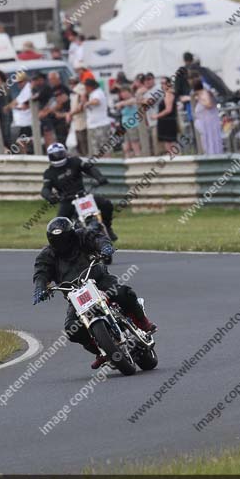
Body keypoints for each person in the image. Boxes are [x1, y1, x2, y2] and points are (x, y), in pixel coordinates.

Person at [33, 218, 155, 369]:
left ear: (71, 234)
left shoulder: (82, 236)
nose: (61, 243)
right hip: (75, 294)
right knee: (72, 329)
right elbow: (41, 272)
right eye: (57, 240)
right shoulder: (47, 255)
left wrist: (105, 247)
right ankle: (101, 351)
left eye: (64, 239)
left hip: (99, 280)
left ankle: (142, 321)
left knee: (123, 293)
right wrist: (40, 288)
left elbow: (97, 238)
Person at [41, 143, 117, 240]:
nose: (58, 157)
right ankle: (60, 245)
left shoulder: (74, 161)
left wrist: (99, 177)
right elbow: (45, 188)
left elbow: (89, 168)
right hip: (67, 200)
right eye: (55, 155)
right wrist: (50, 196)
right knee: (59, 224)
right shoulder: (49, 173)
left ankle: (108, 227)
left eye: (60, 154)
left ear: (65, 152)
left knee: (106, 204)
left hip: (83, 196)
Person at [192, 79, 223, 155]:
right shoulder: (200, 94)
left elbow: (209, 104)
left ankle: (214, 154)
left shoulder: (204, 93)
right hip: (205, 122)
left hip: (209, 122)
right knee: (207, 141)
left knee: (212, 140)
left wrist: (200, 100)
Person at [83, 78, 111, 157]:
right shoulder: (92, 93)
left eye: (86, 87)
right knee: (96, 150)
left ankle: (108, 164)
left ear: (90, 87)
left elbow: (96, 101)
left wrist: (87, 103)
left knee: (104, 148)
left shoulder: (97, 92)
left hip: (100, 125)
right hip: (93, 125)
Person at [151, 76, 178, 153]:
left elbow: (168, 109)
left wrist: (156, 116)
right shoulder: (167, 93)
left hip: (168, 122)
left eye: (164, 83)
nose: (162, 85)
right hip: (165, 122)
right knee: (168, 145)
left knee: (170, 145)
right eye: (161, 83)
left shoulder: (169, 94)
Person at [114, 86, 141, 157]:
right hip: (125, 127)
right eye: (122, 93)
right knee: (126, 146)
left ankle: (138, 159)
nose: (123, 94)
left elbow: (131, 102)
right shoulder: (123, 101)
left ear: (129, 92)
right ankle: (127, 161)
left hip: (133, 125)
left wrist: (120, 104)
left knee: (134, 144)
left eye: (125, 92)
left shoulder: (132, 99)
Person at [66, 73, 88, 156]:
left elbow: (80, 108)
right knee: (78, 144)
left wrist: (70, 114)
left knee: (82, 143)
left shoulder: (79, 91)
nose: (71, 85)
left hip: (81, 122)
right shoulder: (74, 92)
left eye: (72, 83)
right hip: (76, 122)